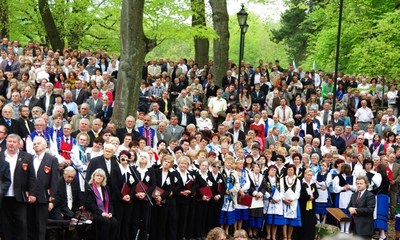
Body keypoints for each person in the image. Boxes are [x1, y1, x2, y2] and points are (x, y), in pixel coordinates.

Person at [1, 134, 36, 240]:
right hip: (3, 196)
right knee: (5, 223)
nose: (11, 144)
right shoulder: (1, 156)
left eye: (14, 142)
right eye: (9, 141)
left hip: (20, 196)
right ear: (6, 142)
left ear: (19, 143)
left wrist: (33, 193)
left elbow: (32, 176)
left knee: (21, 222)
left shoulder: (27, 157)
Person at [27, 136, 59, 240]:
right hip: (31, 195)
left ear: (45, 145)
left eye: (38, 143)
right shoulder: (29, 158)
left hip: (44, 195)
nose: (36, 145)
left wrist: (52, 196)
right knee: (30, 222)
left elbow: (54, 179)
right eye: (34, 144)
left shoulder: (51, 159)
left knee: (41, 224)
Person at [86, 168, 118, 240]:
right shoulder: (89, 188)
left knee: (114, 222)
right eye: (97, 175)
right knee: (106, 222)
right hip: (95, 212)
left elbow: (110, 202)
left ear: (103, 178)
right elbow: (90, 204)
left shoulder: (106, 188)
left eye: (101, 176)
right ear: (93, 176)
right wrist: (101, 213)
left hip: (106, 212)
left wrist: (110, 212)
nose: (99, 177)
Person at [131, 151, 156, 240]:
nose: (142, 158)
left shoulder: (151, 170)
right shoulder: (133, 169)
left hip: (146, 199)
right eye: (141, 156)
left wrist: (144, 194)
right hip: (135, 198)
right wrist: (136, 194)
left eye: (144, 157)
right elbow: (131, 183)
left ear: (147, 159)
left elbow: (153, 185)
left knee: (144, 221)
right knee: (135, 220)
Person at [111, 150, 136, 240]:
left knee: (126, 221)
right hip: (118, 200)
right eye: (121, 156)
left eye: (125, 156)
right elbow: (115, 185)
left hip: (129, 200)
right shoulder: (115, 170)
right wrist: (121, 197)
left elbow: (134, 185)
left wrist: (130, 195)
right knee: (119, 221)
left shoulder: (132, 170)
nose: (123, 157)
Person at [149, 154, 173, 240]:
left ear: (171, 164)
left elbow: (169, 189)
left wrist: (161, 198)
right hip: (154, 199)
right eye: (165, 161)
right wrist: (157, 197)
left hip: (164, 201)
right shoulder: (155, 171)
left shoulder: (171, 174)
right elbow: (153, 185)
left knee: (162, 222)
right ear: (162, 161)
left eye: (168, 162)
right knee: (153, 221)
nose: (166, 163)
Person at [347, 175, 376, 240]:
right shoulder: (354, 195)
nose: (359, 185)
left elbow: (370, 209)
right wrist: (350, 209)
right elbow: (349, 206)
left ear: (366, 184)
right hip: (355, 226)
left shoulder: (370, 195)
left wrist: (355, 211)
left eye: (361, 183)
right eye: (357, 183)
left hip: (365, 228)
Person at [333, 164, 356, 234]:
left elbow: (356, 188)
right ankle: (342, 229)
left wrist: (350, 187)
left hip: (350, 195)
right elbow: (335, 188)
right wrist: (343, 188)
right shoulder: (337, 177)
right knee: (342, 214)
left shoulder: (353, 177)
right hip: (341, 195)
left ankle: (347, 229)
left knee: (349, 213)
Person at [219, 157, 240, 237]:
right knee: (222, 214)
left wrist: (231, 191)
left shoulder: (234, 173)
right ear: (225, 163)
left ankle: (226, 231)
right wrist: (223, 191)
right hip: (222, 195)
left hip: (231, 196)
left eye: (231, 163)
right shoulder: (221, 171)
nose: (229, 164)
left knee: (228, 214)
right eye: (228, 162)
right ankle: (221, 231)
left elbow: (237, 184)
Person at [281, 164, 302, 240]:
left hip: (293, 202)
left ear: (294, 171)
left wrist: (291, 199)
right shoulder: (282, 179)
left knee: (291, 220)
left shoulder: (297, 180)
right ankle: (284, 236)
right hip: (284, 201)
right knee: (284, 219)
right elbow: (281, 191)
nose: (290, 171)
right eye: (289, 169)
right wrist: (284, 199)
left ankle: (289, 236)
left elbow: (297, 192)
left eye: (292, 170)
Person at [371, 164, 390, 240]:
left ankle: (382, 235)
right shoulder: (387, 178)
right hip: (385, 197)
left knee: (379, 215)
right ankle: (381, 234)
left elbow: (375, 185)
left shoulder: (378, 175)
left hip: (380, 197)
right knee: (382, 215)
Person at [248, 162, 267, 238]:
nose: (257, 168)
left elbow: (264, 187)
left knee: (257, 215)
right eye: (256, 167)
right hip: (252, 197)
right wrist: (255, 193)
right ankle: (250, 231)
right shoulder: (249, 175)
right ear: (253, 168)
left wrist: (260, 194)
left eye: (258, 167)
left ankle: (255, 232)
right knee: (251, 215)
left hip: (259, 198)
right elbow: (249, 186)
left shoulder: (262, 176)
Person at [299, 169, 319, 240]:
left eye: (311, 175)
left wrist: (313, 197)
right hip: (303, 205)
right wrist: (308, 197)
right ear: (304, 174)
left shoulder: (313, 183)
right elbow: (300, 193)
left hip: (311, 205)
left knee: (311, 222)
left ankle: (310, 237)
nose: (309, 176)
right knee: (304, 221)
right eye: (308, 175)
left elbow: (316, 193)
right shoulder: (301, 183)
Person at [234, 159, 250, 232]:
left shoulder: (245, 172)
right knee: (236, 214)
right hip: (236, 193)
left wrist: (242, 189)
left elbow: (248, 182)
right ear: (236, 164)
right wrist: (238, 190)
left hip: (243, 193)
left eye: (242, 164)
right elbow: (233, 182)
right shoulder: (233, 172)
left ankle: (240, 229)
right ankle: (235, 230)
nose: (241, 165)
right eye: (240, 164)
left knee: (241, 214)